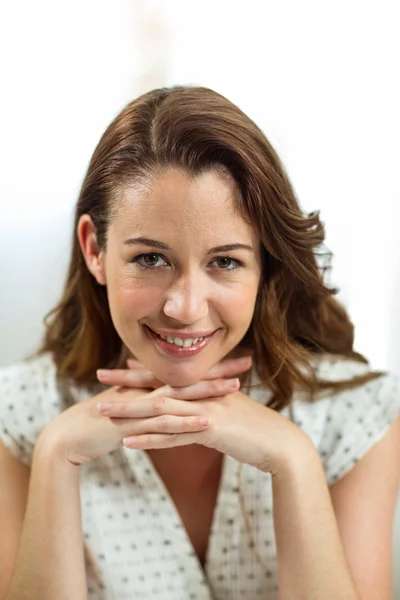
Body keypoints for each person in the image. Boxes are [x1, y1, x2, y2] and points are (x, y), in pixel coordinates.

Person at [0, 85, 399, 600]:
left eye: (226, 261)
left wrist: (294, 460)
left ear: (265, 264)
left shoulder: (355, 417)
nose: (185, 308)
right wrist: (56, 456)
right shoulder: (19, 418)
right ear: (95, 249)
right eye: (150, 259)